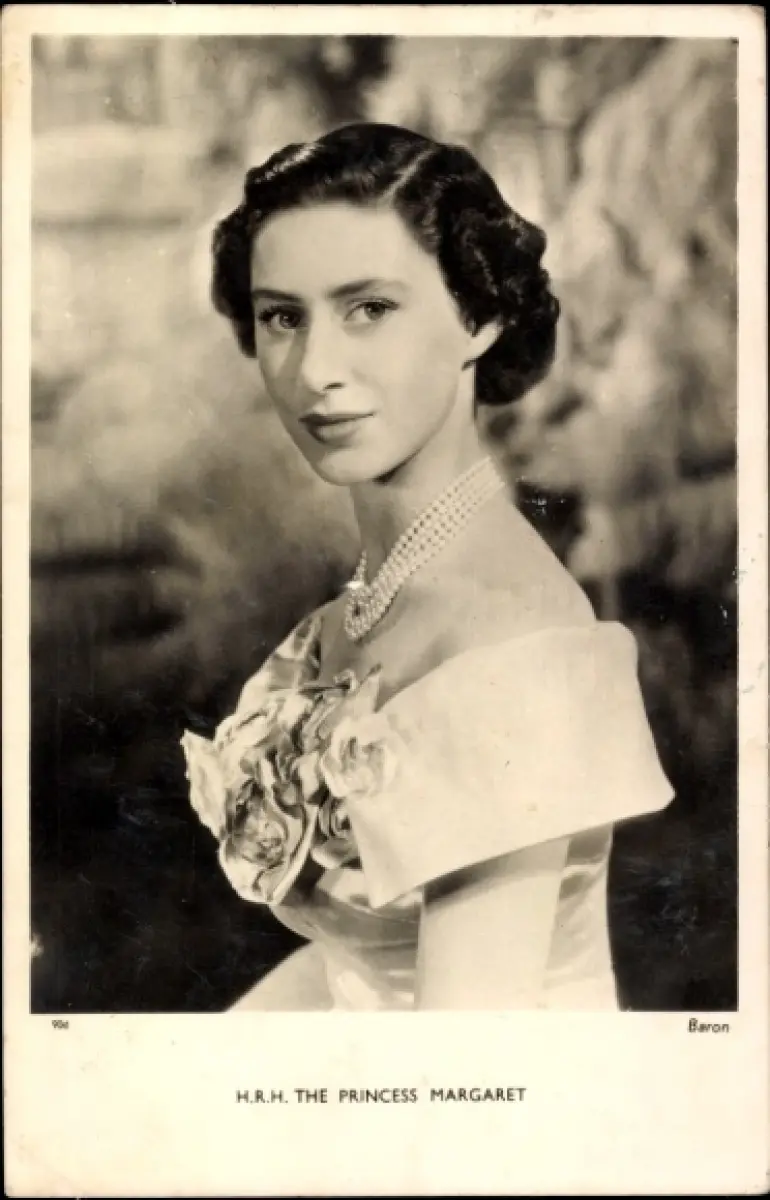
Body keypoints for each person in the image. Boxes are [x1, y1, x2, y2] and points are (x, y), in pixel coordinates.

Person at [181, 123, 674, 1012]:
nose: (315, 370)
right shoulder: (380, 594)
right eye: (283, 316)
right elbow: (357, 970)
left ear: (478, 318)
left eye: (369, 309)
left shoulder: (510, 640)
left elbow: (464, 1064)